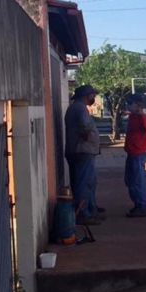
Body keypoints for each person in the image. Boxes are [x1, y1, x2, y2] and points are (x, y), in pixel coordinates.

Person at [64, 84, 103, 224]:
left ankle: (91, 210)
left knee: (89, 182)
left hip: (82, 150)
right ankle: (83, 214)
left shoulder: (77, 108)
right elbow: (84, 125)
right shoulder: (79, 108)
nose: (94, 98)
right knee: (83, 183)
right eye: (93, 95)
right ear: (87, 96)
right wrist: (88, 135)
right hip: (82, 150)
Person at [124, 93, 146, 218]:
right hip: (132, 151)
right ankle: (138, 204)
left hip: (137, 152)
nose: (128, 105)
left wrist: (140, 113)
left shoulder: (141, 117)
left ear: (137, 105)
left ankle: (141, 205)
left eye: (131, 103)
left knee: (136, 180)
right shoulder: (132, 117)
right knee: (130, 180)